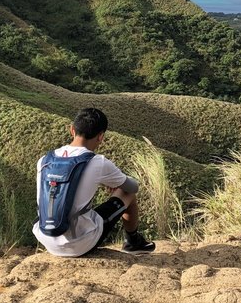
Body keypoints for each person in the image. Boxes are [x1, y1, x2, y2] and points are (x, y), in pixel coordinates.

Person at [32, 107, 155, 257]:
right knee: (127, 193)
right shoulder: (98, 162)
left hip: (46, 238)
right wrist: (116, 183)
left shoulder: (44, 160)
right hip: (78, 244)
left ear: (72, 130)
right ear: (101, 136)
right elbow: (133, 187)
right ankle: (133, 242)